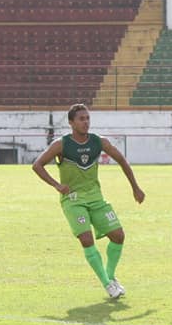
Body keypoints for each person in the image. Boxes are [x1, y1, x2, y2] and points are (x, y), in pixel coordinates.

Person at [33, 103, 145, 299]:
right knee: (86, 239)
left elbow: (122, 160)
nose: (86, 122)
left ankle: (110, 277)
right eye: (81, 119)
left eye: (87, 118)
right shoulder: (61, 144)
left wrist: (135, 187)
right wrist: (57, 185)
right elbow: (37, 165)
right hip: (73, 200)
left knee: (118, 236)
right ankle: (107, 285)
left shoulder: (99, 141)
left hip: (96, 198)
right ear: (71, 123)